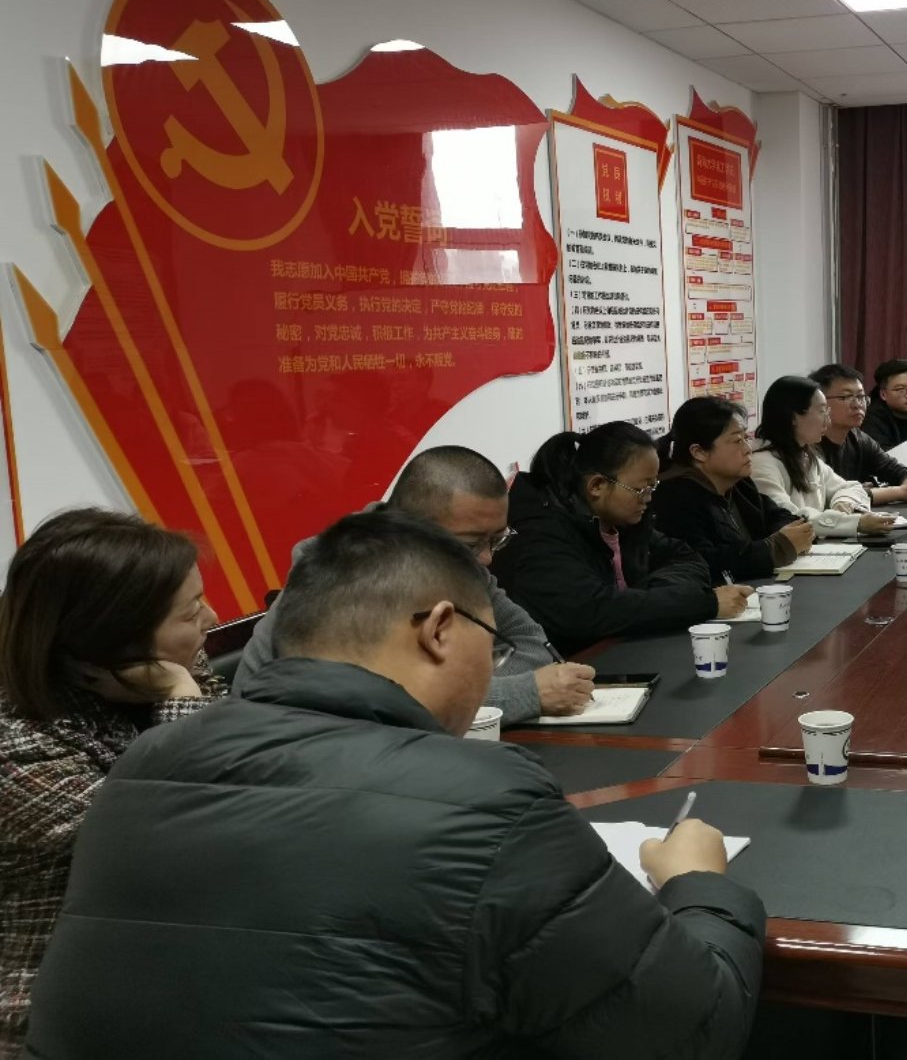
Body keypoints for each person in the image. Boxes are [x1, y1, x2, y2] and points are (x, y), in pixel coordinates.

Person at [25, 510, 766, 1058]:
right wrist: (698, 884)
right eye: (489, 643)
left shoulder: (141, 766)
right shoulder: (487, 799)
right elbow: (694, 1029)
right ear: (439, 629)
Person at [0, 509, 222, 1051]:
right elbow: (177, 838)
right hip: (55, 1018)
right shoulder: (14, 746)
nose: (212, 618)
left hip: (169, 972)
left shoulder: (165, 671)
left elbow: (251, 765)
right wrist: (179, 698)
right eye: (191, 611)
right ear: (115, 641)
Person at [238, 445, 594, 725]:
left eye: (496, 540)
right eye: (472, 543)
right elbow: (369, 709)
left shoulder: (452, 558)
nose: (486, 559)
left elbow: (530, 642)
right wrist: (522, 693)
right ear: (409, 524)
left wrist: (462, 690)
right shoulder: (339, 577)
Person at [491, 424, 751, 655]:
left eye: (653, 486)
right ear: (597, 486)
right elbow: (594, 612)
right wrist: (702, 604)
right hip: (570, 668)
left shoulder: (621, 520)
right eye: (641, 488)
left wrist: (647, 599)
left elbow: (688, 559)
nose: (648, 498)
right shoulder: (539, 536)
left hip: (626, 650)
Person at [652, 395, 817, 581]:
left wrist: (790, 532)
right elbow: (704, 563)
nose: (748, 449)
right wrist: (776, 547)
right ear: (699, 452)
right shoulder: (675, 497)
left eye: (746, 438)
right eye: (737, 440)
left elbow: (777, 515)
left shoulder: (738, 483)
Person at [751, 376, 899, 539]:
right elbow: (790, 519)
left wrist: (844, 502)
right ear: (793, 418)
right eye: (822, 411)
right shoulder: (762, 463)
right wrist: (856, 523)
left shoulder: (806, 454)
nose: (827, 420)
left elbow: (851, 487)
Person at [810, 364, 907, 506]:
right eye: (845, 397)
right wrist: (902, 492)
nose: (857, 404)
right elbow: (831, 497)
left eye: (861, 396)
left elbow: (891, 468)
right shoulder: (809, 445)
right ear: (820, 402)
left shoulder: (858, 438)